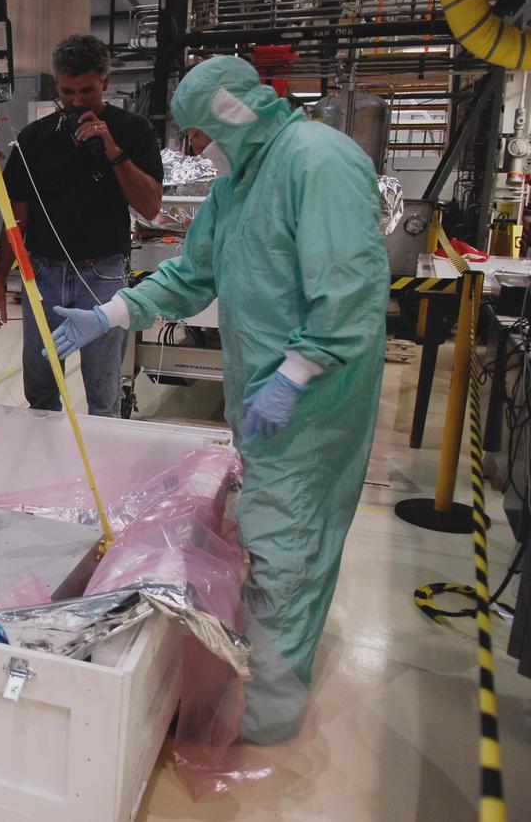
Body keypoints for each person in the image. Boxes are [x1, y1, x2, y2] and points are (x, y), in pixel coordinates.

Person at [50, 55, 388, 742]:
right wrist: (110, 314)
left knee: (284, 553)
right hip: (269, 403)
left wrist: (294, 376)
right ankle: (253, 688)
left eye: (201, 134)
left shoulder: (317, 163)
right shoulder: (241, 183)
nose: (197, 149)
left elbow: (348, 292)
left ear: (233, 112)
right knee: (273, 548)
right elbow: (190, 274)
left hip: (313, 408)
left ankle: (265, 718)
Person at [0, 34, 162, 417]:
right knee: (41, 389)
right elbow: (16, 216)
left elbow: (149, 206)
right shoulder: (35, 138)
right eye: (67, 91)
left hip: (103, 276)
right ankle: (49, 467)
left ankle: (102, 472)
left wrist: (113, 151)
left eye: (87, 92)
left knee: (102, 392)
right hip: (42, 275)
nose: (76, 102)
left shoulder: (133, 131)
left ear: (106, 84)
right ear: (56, 83)